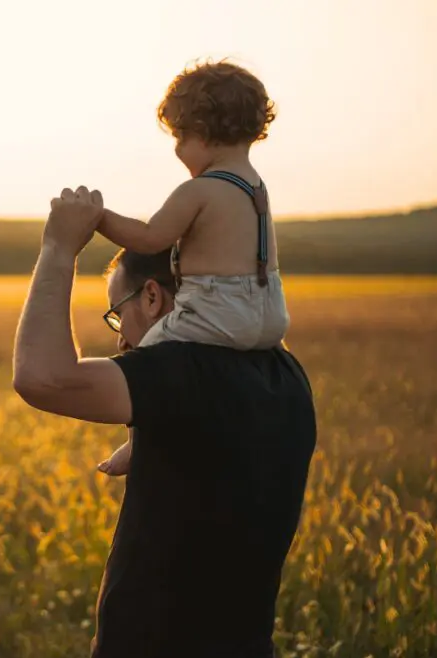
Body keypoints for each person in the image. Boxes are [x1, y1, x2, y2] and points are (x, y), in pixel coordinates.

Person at [13, 187, 317, 658]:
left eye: (119, 313)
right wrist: (145, 441)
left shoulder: (182, 374)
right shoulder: (285, 373)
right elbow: (214, 444)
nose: (121, 338)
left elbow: (41, 377)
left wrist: (58, 249)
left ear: (152, 296)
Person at [93, 59, 291, 475]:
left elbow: (150, 238)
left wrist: (98, 218)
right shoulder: (256, 187)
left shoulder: (200, 190)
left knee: (146, 360)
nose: (178, 150)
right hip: (270, 314)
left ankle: (136, 444)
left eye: (180, 137)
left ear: (202, 131)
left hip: (217, 307)